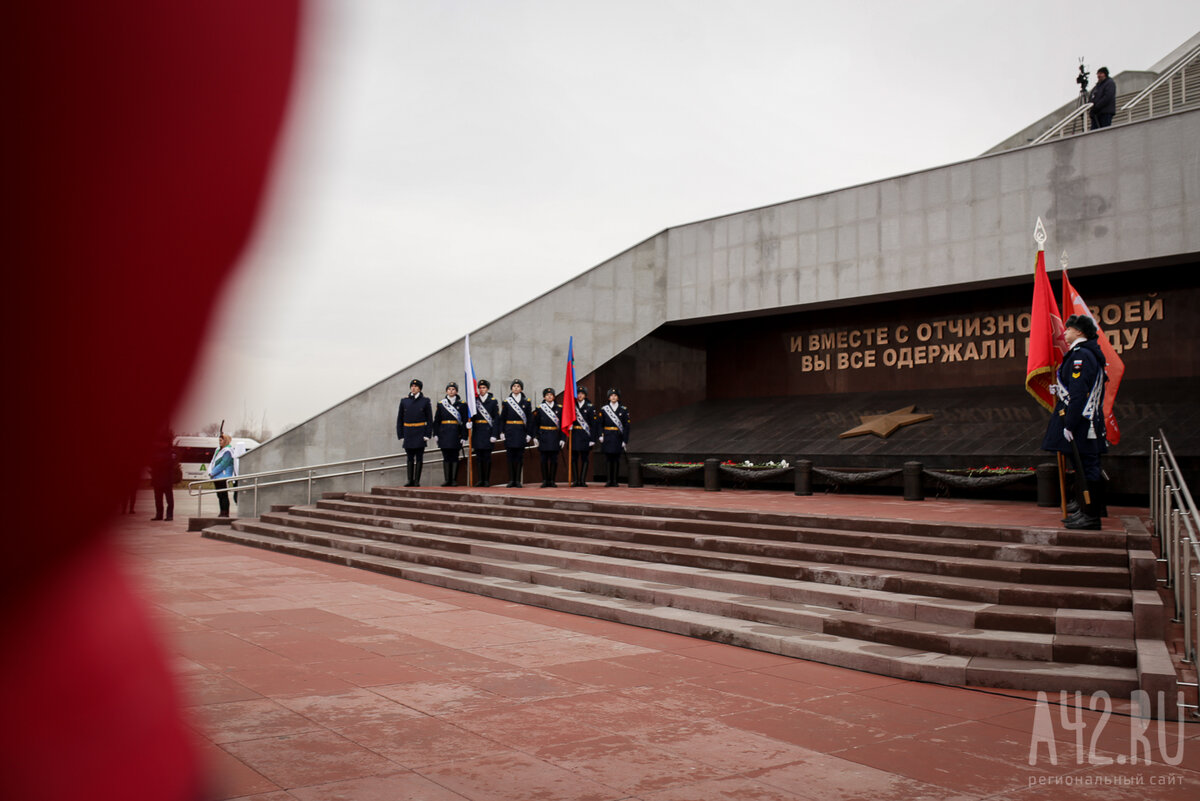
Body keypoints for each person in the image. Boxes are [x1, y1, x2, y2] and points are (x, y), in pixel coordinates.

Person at [1042, 314, 1108, 530]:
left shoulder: (1081, 355)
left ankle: (1091, 515)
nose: (1065, 332)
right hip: (1083, 421)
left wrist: (1069, 424)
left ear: (1079, 331)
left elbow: (1079, 394)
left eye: (1069, 329)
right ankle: (1085, 510)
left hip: (1082, 423)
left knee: (1087, 467)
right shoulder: (1083, 353)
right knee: (1081, 468)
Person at [397, 378, 434, 486]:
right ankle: (410, 480)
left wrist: (427, 434)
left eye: (416, 386)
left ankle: (417, 480)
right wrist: (401, 434)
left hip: (420, 432)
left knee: (419, 457)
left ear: (420, 389)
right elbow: (400, 419)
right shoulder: (404, 401)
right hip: (408, 432)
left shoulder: (425, 401)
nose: (413, 388)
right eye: (412, 386)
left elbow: (429, 419)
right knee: (409, 457)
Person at [498, 379, 533, 487]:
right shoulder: (506, 402)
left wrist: (529, 434)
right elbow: (502, 419)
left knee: (519, 456)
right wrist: (502, 431)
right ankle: (511, 480)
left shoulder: (526, 401)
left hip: (521, 432)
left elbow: (530, 419)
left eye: (518, 386)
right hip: (509, 432)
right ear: (511, 388)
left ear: (521, 389)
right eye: (514, 386)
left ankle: (517, 480)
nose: (516, 388)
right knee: (510, 456)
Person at [434, 382, 469, 486]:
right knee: (446, 456)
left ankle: (453, 479)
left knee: (454, 456)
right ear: (446, 391)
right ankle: (447, 479)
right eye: (449, 389)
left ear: (456, 391)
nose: (451, 391)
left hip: (456, 433)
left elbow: (464, 421)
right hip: (444, 433)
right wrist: (436, 434)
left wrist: (464, 436)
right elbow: (437, 421)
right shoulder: (441, 404)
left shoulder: (462, 404)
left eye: (453, 389)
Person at [470, 378, 501, 487]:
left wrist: (494, 434)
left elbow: (496, 419)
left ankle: (486, 480)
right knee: (478, 457)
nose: (481, 389)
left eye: (483, 388)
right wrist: (469, 423)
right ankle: (480, 480)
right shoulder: (474, 401)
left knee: (487, 457)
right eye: (480, 388)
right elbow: (471, 416)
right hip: (477, 432)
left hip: (488, 432)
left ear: (487, 389)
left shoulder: (493, 401)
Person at [533, 387, 566, 487]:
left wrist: (563, 439)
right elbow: (535, 425)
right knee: (543, 459)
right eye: (547, 395)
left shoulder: (559, 408)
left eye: (551, 395)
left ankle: (552, 480)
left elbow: (563, 425)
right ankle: (545, 480)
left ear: (554, 396)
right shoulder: (540, 408)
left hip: (555, 437)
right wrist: (535, 437)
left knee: (554, 459)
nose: (549, 396)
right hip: (543, 436)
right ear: (544, 397)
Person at [599, 388, 630, 487]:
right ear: (608, 397)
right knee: (608, 459)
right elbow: (600, 424)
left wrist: (625, 440)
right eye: (611, 395)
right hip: (607, 436)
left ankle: (615, 480)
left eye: (615, 395)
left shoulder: (623, 409)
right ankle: (609, 480)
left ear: (618, 398)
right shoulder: (604, 409)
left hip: (618, 437)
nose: (613, 397)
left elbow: (626, 426)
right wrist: (600, 435)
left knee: (616, 459)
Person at [149, 428, 179, 521]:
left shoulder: (171, 452)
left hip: (166, 479)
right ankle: (159, 514)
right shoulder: (155, 452)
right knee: (158, 498)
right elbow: (151, 462)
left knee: (169, 498)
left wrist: (159, 463)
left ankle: (169, 515)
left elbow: (170, 463)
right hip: (157, 478)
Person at [569, 385, 596, 487]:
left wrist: (592, 439)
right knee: (574, 458)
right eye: (578, 394)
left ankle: (582, 480)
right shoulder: (572, 406)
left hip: (585, 436)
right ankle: (575, 480)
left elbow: (593, 424)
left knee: (585, 458)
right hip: (575, 434)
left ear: (585, 395)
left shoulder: (590, 407)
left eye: (582, 394)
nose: (580, 395)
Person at [207, 433, 236, 517]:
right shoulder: (218, 449)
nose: (219, 442)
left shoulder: (228, 451)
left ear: (225, 441)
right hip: (216, 476)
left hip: (223, 476)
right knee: (219, 495)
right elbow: (213, 461)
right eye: (219, 440)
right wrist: (210, 471)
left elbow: (223, 464)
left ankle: (225, 512)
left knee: (223, 495)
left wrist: (212, 472)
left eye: (221, 440)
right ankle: (222, 512)